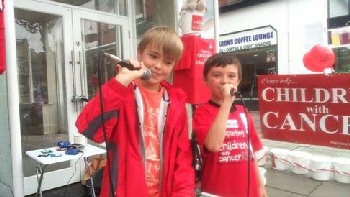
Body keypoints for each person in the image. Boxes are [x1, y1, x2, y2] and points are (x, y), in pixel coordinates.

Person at [76, 26, 195, 197]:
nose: (158, 66)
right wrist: (120, 81)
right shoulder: (122, 93)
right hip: (124, 190)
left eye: (168, 62)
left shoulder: (177, 102)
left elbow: (182, 156)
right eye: (153, 56)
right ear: (140, 53)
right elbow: (91, 130)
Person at [193, 53, 268, 197]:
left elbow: (252, 154)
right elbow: (213, 145)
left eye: (231, 76)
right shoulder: (203, 112)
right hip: (217, 190)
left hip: (248, 189)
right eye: (217, 75)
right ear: (205, 80)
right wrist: (227, 103)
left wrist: (260, 185)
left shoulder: (244, 112)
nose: (224, 81)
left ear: (238, 80)